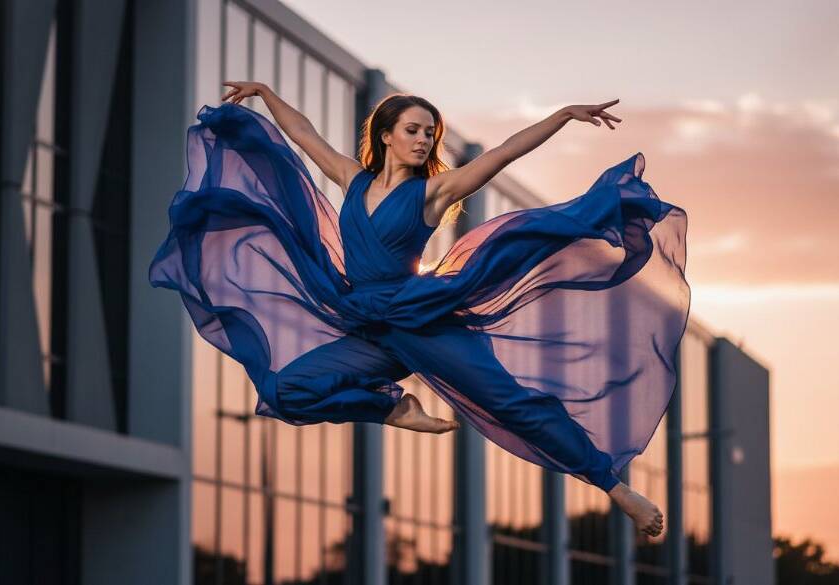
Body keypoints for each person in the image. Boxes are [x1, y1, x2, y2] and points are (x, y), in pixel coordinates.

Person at [150, 80, 691, 539]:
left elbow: (501, 154)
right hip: (368, 326)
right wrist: (266, 94)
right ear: (385, 134)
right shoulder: (350, 179)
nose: (424, 138)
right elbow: (303, 136)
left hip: (421, 320)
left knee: (513, 405)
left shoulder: (433, 192)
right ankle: (392, 410)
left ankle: (616, 487)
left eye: (430, 132)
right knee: (284, 391)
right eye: (413, 129)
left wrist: (562, 116)